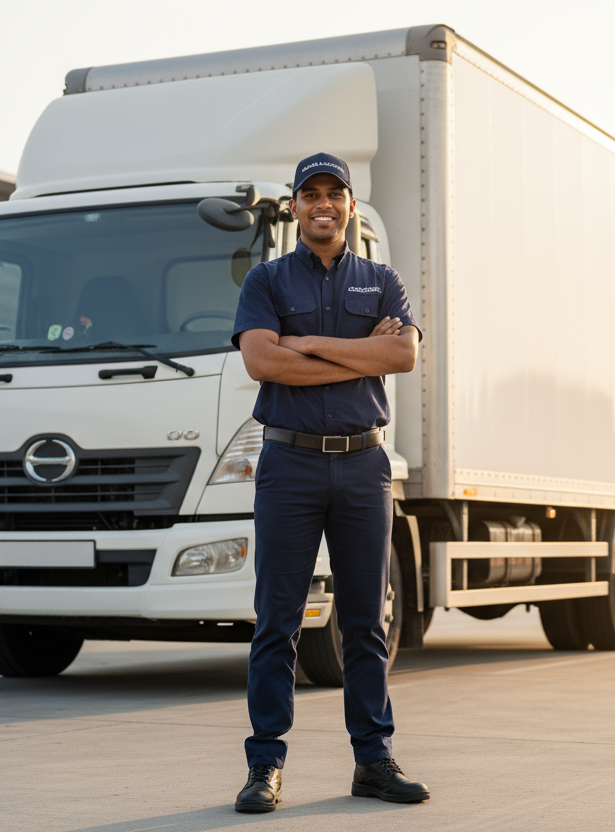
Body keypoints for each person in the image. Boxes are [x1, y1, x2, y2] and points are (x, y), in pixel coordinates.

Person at [229, 152, 429, 813]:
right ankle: (265, 769)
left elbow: (401, 353)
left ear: (349, 205)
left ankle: (373, 762)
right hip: (289, 464)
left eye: (333, 193)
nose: (322, 203)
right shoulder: (266, 280)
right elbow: (263, 362)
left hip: (363, 466)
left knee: (365, 622)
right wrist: (353, 352)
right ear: (294, 206)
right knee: (277, 623)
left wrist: (305, 345)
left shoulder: (382, 279)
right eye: (309, 193)